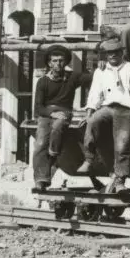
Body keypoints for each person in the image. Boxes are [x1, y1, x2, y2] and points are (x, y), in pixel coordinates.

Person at [78, 38, 130, 192]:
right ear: (106, 55)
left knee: (122, 143)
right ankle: (89, 159)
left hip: (126, 109)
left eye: (116, 52)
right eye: (109, 53)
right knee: (93, 122)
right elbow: (94, 93)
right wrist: (89, 113)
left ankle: (120, 180)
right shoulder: (101, 71)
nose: (113, 55)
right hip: (107, 107)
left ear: (122, 53)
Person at [32, 44, 84, 190]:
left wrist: (101, 67)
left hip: (64, 112)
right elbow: (38, 108)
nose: (58, 64)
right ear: (49, 63)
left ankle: (53, 154)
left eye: (61, 61)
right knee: (40, 143)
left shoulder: (72, 77)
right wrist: (51, 113)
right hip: (46, 114)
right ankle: (40, 179)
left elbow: (91, 78)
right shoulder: (43, 81)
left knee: (58, 124)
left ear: (65, 62)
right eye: (54, 61)